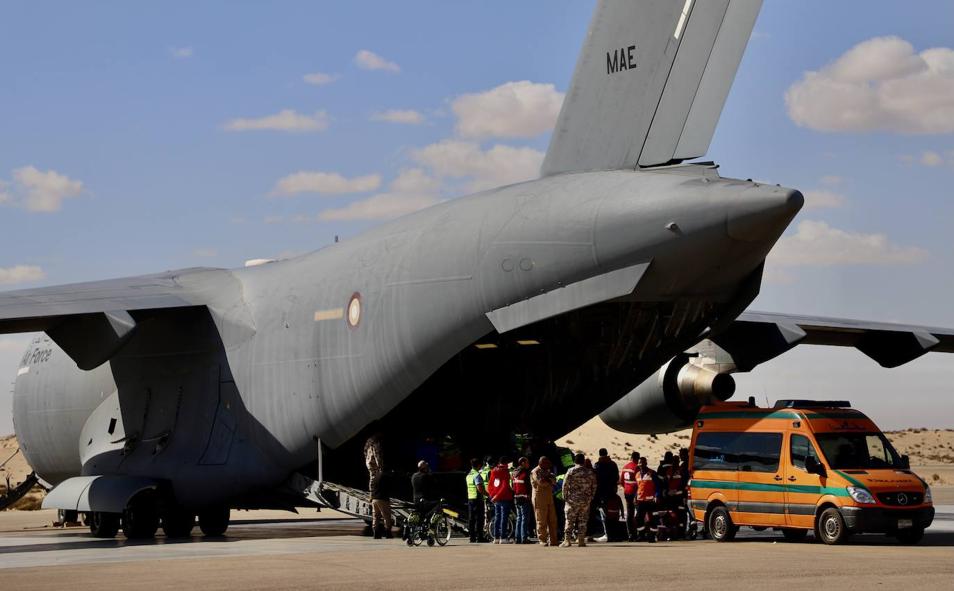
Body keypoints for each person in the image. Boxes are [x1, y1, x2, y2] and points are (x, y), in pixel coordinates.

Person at [560, 453, 597, 547]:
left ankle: (567, 540)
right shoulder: (589, 472)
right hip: (585, 501)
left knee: (569, 520)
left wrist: (565, 497)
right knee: (583, 521)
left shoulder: (571, 471)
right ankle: (581, 540)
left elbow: (565, 485)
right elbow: (594, 486)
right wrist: (591, 497)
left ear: (574, 461)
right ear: (583, 461)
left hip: (572, 501)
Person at [593, 448, 619, 543]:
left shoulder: (597, 465)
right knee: (613, 514)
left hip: (601, 493)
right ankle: (614, 535)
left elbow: (595, 478)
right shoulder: (613, 464)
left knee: (604, 515)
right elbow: (616, 477)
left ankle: (607, 534)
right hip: (612, 493)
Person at [531, 456, 558, 546]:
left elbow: (554, 481)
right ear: (541, 463)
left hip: (549, 498)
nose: (548, 465)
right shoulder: (535, 471)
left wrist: (548, 479)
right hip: (539, 498)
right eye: (546, 463)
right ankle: (542, 539)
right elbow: (541, 482)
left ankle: (553, 540)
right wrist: (548, 480)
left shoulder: (548, 471)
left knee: (552, 520)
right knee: (541, 520)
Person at [487, 456, 514, 544]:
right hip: (504, 497)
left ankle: (496, 537)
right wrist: (497, 496)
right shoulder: (505, 471)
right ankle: (503, 537)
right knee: (504, 517)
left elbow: (490, 485)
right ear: (506, 463)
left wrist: (492, 496)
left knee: (497, 517)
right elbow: (505, 486)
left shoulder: (494, 470)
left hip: (496, 498)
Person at [634, 456, 659, 542]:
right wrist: (635, 497)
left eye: (643, 463)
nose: (641, 465)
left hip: (650, 501)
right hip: (640, 501)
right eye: (640, 463)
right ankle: (641, 535)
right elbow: (638, 487)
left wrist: (656, 495)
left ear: (646, 463)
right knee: (638, 518)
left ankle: (652, 536)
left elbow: (658, 486)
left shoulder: (652, 473)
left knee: (652, 519)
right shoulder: (637, 474)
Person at [465, 458, 487, 543]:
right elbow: (480, 488)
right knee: (479, 519)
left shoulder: (469, 475)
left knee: (471, 519)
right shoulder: (477, 475)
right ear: (478, 465)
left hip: (470, 499)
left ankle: (472, 537)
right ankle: (480, 537)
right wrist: (487, 494)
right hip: (477, 499)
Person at [620, 451, 640, 541]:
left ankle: (630, 534)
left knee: (629, 514)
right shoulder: (636, 467)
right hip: (635, 493)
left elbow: (621, 481)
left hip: (627, 492)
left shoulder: (625, 467)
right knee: (638, 513)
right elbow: (640, 481)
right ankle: (637, 532)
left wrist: (626, 488)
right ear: (637, 458)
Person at [512, 457, 532, 544]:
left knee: (519, 518)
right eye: (527, 462)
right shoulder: (525, 473)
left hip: (516, 497)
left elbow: (513, 486)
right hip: (524, 498)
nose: (528, 464)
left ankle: (517, 538)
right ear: (523, 463)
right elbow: (528, 486)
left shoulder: (514, 473)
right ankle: (524, 538)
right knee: (524, 519)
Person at [370, 469, 393, 539]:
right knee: (386, 516)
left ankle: (376, 533)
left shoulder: (375, 477)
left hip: (374, 499)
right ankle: (388, 533)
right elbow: (389, 487)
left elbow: (371, 487)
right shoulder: (385, 477)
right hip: (382, 499)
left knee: (376, 516)